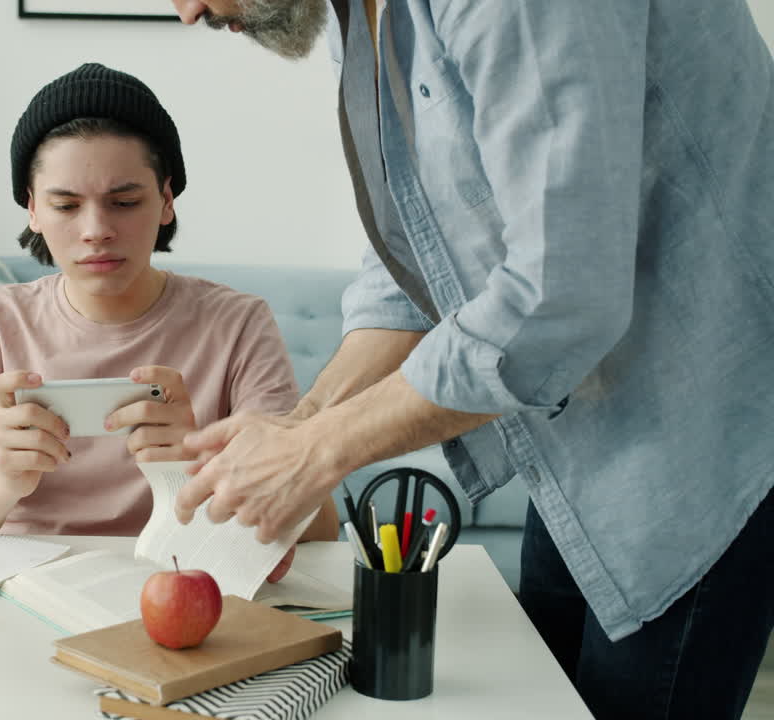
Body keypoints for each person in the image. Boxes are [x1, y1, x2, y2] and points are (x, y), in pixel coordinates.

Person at [164, 1, 774, 718]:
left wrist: (316, 453)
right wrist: (299, 429)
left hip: (708, 447)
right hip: (581, 441)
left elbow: (559, 295)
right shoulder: (363, 21)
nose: (187, 11)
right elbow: (413, 273)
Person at [0, 63, 340, 569]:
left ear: (165, 201)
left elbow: (319, 527)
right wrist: (3, 478)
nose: (96, 230)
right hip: (25, 578)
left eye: (124, 201)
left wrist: (197, 462)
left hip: (185, 574)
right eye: (66, 206)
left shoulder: (238, 323)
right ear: (32, 210)